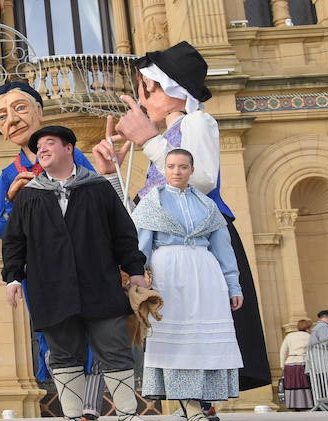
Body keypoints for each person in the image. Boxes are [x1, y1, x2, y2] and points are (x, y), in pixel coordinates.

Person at [98, 41, 271, 394]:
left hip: (199, 243)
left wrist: (148, 139)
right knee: (172, 324)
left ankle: (200, 400)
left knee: (196, 321)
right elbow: (143, 215)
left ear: (173, 89)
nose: (143, 102)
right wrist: (112, 174)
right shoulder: (164, 141)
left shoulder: (197, 122)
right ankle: (185, 398)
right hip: (165, 249)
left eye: (148, 91)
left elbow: (202, 179)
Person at [3, 126, 154, 421]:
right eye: (38, 147)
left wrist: (135, 268)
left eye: (49, 144)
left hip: (99, 284)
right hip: (52, 289)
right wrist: (13, 278)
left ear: (68, 148)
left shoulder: (97, 188)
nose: (42, 150)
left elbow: (123, 233)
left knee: (113, 347)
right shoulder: (29, 196)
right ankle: (71, 418)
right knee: (62, 353)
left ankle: (128, 416)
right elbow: (14, 242)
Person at [0, 81, 100, 415]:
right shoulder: (9, 175)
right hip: (41, 267)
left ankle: (90, 404)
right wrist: (13, 203)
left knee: (91, 327)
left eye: (20, 108)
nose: (13, 119)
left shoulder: (71, 155)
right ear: (0, 130)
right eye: (2, 116)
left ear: (39, 111)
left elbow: (95, 201)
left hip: (81, 259)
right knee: (52, 332)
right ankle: (70, 405)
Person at [132, 148, 244, 421]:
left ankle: (201, 403)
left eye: (183, 166)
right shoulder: (151, 203)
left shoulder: (207, 205)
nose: (177, 171)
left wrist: (233, 284)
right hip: (168, 272)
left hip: (205, 273)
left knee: (202, 337)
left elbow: (223, 249)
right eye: (171, 166)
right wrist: (137, 280)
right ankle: (191, 408)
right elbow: (140, 247)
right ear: (164, 169)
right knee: (177, 337)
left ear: (191, 169)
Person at [279, 319, 314, 411]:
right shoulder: (309, 336)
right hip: (302, 362)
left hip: (290, 363)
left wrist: (282, 364)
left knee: (292, 384)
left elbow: (283, 351)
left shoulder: (289, 336)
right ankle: (306, 404)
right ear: (308, 328)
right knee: (304, 384)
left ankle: (294, 405)